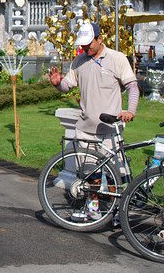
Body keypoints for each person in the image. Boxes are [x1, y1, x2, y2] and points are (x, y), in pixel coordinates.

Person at [48, 21, 139, 178]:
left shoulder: (117, 58)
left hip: (110, 131)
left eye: (88, 44)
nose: (85, 48)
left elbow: (132, 86)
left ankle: (113, 202)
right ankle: (92, 202)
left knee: (115, 179)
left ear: (100, 39)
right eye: (82, 45)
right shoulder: (78, 62)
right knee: (90, 178)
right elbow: (67, 86)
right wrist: (58, 84)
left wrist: (130, 110)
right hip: (85, 131)